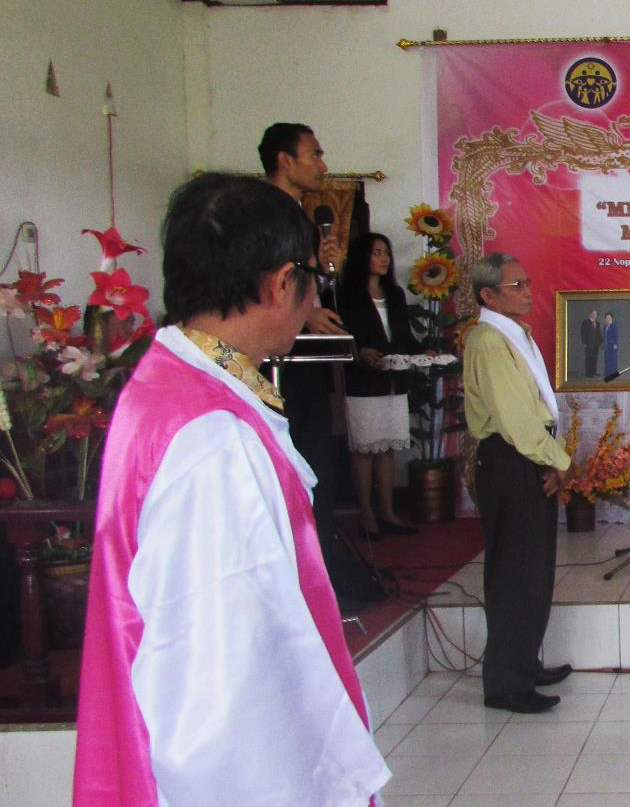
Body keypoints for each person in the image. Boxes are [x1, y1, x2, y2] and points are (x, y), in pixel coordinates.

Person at [74, 173, 390, 805]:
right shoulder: (214, 438)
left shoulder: (173, 384)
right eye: (312, 279)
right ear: (282, 282)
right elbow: (226, 681)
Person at [463, 252, 574, 713]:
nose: (528, 291)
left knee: (533, 570)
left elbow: (537, 409)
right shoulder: (489, 341)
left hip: (528, 457)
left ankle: (524, 662)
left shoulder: (514, 332)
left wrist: (551, 457)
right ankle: (507, 683)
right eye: (517, 286)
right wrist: (559, 461)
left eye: (527, 282)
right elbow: (514, 419)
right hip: (510, 459)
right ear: (488, 295)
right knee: (514, 572)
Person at [259, 122, 364, 606]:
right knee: (298, 461)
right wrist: (303, 313)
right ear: (285, 159)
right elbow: (262, 282)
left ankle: (322, 565)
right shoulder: (262, 214)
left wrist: (322, 270)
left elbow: (298, 283)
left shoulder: (299, 216)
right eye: (314, 154)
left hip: (302, 360)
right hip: (276, 363)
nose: (323, 165)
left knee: (316, 465)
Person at [337, 232, 424, 537]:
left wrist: (425, 351)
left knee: (387, 447)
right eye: (377, 252)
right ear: (363, 256)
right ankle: (366, 513)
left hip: (393, 379)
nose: (384, 259)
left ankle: (387, 511)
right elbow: (342, 335)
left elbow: (404, 336)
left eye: (386, 252)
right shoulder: (346, 294)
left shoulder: (395, 294)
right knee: (365, 448)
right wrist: (360, 351)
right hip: (363, 379)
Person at [581, 308, 601, 377]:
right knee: (589, 358)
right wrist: (584, 343)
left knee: (595, 358)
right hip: (588, 344)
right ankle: (588, 373)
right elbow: (583, 333)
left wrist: (601, 342)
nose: (595, 315)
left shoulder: (597, 323)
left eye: (596, 314)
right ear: (590, 314)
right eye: (593, 314)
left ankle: (594, 372)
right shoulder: (585, 323)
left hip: (596, 344)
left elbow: (599, 334)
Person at [602, 311, 620, 378]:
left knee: (613, 360)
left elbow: (616, 335)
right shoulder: (605, 327)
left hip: (612, 345)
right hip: (606, 346)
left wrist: (615, 344)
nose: (608, 319)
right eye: (607, 318)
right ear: (605, 319)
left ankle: (613, 373)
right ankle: (607, 373)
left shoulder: (614, 326)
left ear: (612, 318)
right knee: (607, 360)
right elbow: (604, 337)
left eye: (609, 318)